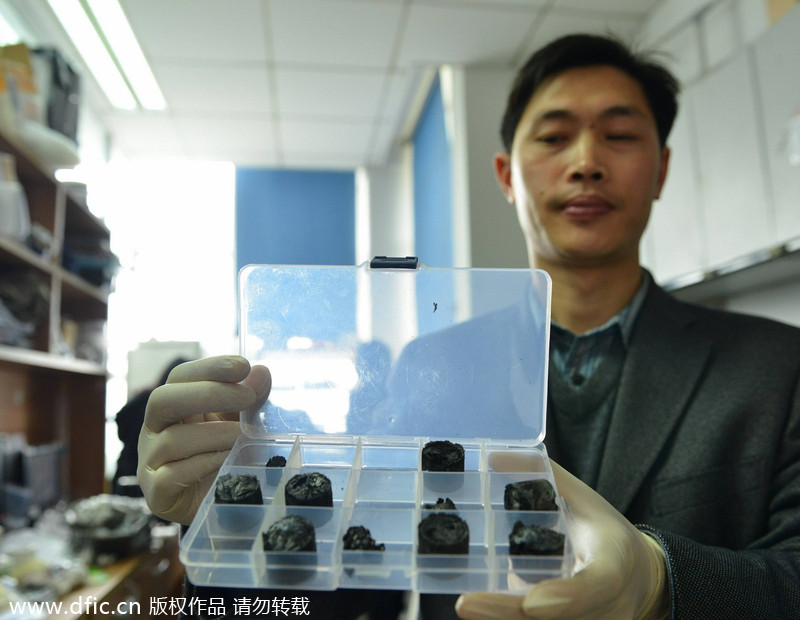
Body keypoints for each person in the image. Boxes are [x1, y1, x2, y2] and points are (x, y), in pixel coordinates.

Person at [138, 34, 800, 619]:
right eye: (553, 135)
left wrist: (661, 584)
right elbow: (354, 581)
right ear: (507, 177)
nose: (586, 161)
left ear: (661, 169)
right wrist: (233, 521)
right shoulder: (431, 363)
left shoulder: (776, 367)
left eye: (620, 134)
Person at [112, 356, 190, 496]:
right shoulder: (174, 407)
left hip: (126, 470)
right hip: (145, 474)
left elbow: (120, 423)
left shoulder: (144, 396)